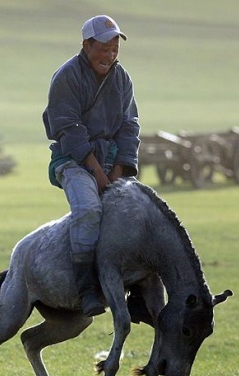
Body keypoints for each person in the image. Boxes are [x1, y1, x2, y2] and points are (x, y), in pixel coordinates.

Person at [42, 15, 140, 317]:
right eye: (103, 48)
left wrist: (118, 171)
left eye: (115, 50)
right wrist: (98, 173)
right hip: (72, 161)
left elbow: (129, 126)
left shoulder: (121, 78)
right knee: (88, 209)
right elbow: (68, 128)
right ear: (86, 45)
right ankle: (85, 287)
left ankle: (137, 285)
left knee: (139, 212)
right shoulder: (66, 77)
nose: (110, 56)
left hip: (111, 163)